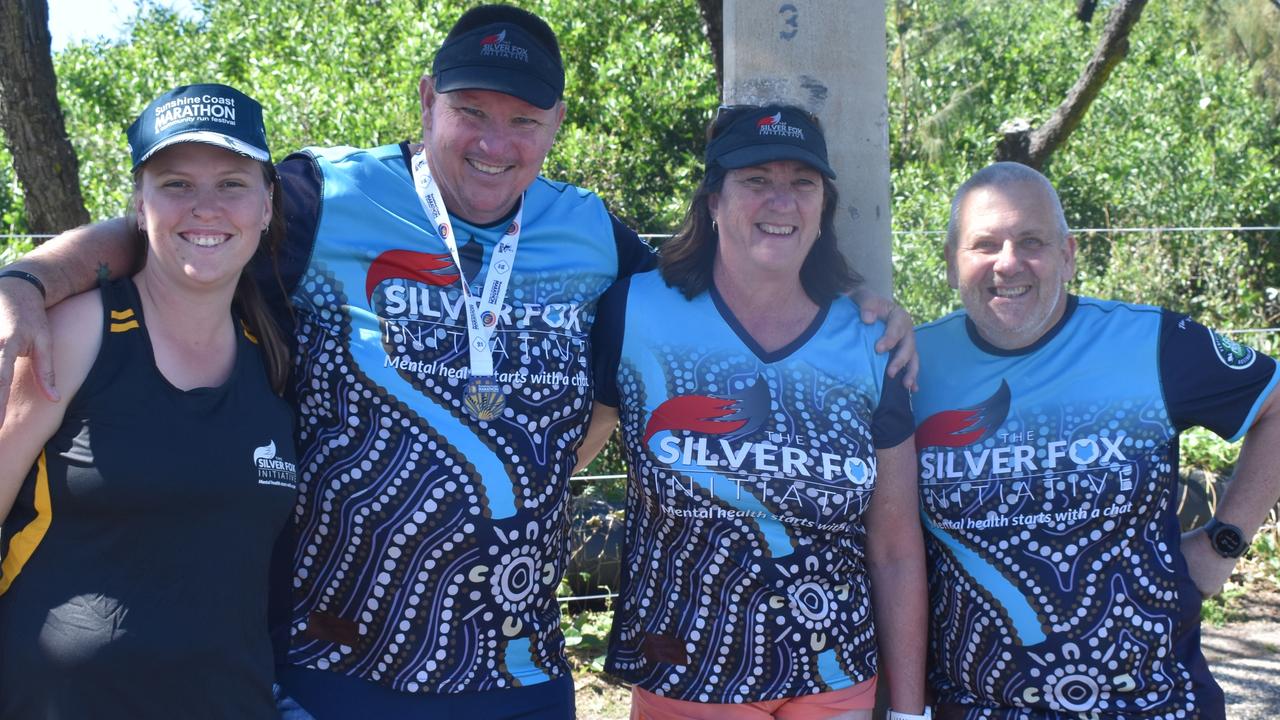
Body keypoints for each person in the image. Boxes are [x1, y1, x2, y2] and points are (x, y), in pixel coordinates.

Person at [0, 5, 916, 718]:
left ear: (556, 123)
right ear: (429, 97)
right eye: (471, 110)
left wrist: (857, 305)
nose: (493, 141)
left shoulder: (592, 232)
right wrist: (35, 278)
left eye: (522, 120)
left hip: (517, 667)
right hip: (338, 658)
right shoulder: (327, 195)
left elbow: (728, 290)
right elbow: (185, 220)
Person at [577, 104, 929, 720]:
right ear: (713, 199)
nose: (782, 201)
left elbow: (896, 548)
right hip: (687, 669)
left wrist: (907, 712)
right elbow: (560, 458)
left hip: (835, 672)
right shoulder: (634, 311)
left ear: (824, 207)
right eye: (756, 180)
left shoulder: (871, 341)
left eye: (803, 183)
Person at [911, 161, 1280, 719]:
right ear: (950, 262)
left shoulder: (1150, 343)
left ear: (1068, 253)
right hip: (979, 705)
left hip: (1152, 703)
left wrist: (1223, 542)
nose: (1008, 263)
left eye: (1030, 241)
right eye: (983, 244)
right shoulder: (911, 365)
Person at [0, 83, 297, 718]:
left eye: (232, 184)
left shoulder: (275, 354)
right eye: (177, 184)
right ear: (139, 203)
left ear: (267, 204)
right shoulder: (77, 332)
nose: (206, 208)